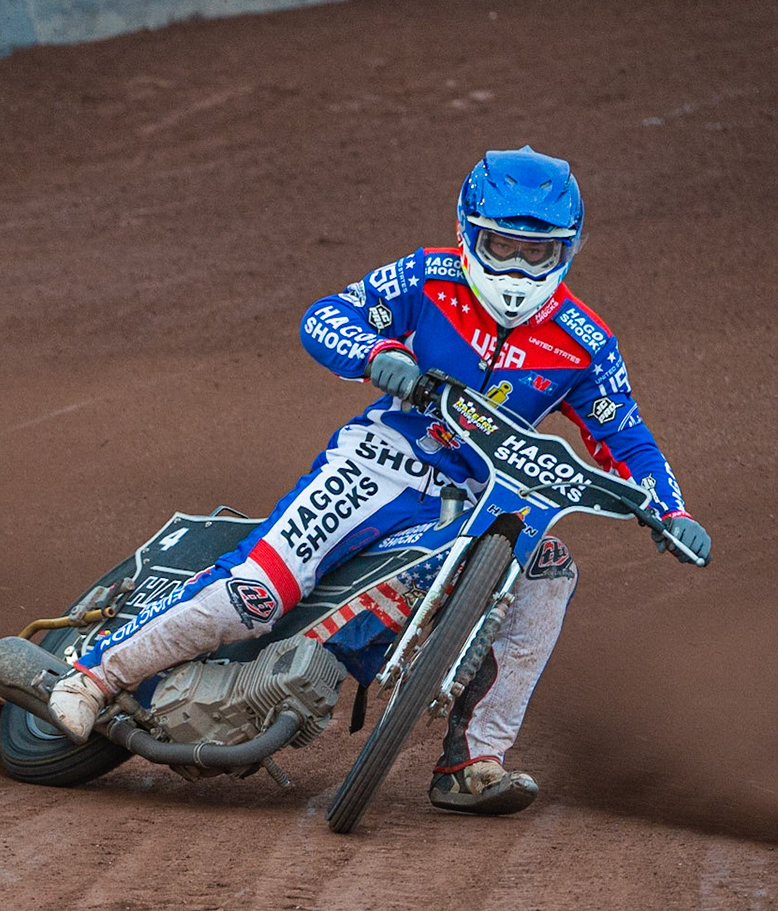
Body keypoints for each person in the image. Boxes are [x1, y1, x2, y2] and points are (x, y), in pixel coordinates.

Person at [46, 147, 711, 815]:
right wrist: (379, 353)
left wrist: (671, 511)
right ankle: (94, 677)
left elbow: (624, 435)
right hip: (378, 465)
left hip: (482, 500)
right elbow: (324, 316)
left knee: (551, 572)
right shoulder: (427, 278)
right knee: (257, 593)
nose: (514, 267)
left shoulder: (585, 341)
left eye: (536, 253)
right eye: (500, 245)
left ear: (566, 252)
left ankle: (474, 760)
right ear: (468, 232)